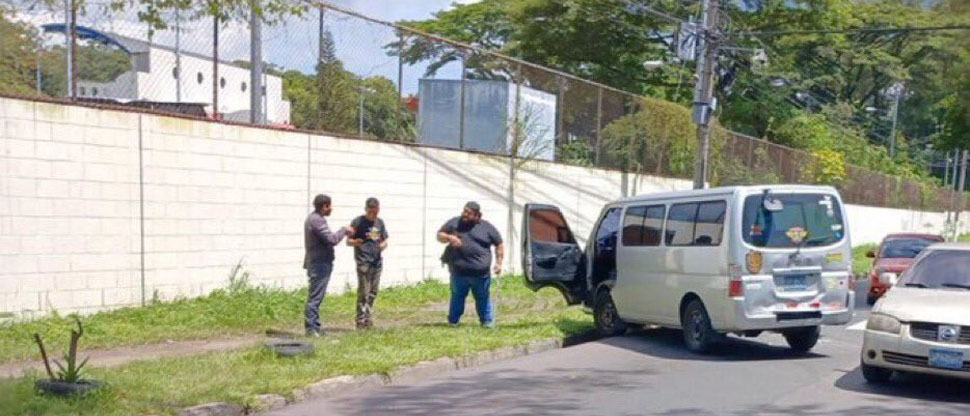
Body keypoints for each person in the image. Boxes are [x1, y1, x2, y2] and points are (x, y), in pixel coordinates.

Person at [437, 201, 504, 328]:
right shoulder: (454, 222)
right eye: (464, 211)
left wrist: (499, 263)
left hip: (481, 274)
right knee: (457, 297)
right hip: (458, 272)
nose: (465, 214)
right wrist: (450, 238)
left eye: (469, 213)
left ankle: (487, 322)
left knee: (483, 298)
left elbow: (499, 243)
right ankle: (453, 321)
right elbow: (439, 235)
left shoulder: (487, 227)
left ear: (478, 215)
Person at [304, 194, 354, 337]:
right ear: (324, 206)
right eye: (330, 206)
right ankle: (311, 329)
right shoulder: (317, 221)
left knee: (316, 296)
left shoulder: (314, 219)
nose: (331, 208)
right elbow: (331, 239)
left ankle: (315, 327)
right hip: (319, 263)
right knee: (315, 297)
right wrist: (344, 230)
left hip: (319, 262)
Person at [347, 197, 389, 329]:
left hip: (376, 262)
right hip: (363, 262)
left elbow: (384, 240)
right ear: (366, 209)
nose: (373, 214)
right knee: (363, 292)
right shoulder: (358, 222)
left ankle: (368, 317)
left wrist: (382, 245)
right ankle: (360, 319)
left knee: (373, 291)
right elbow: (348, 241)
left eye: (375, 211)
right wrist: (356, 242)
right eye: (371, 211)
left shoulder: (380, 223)